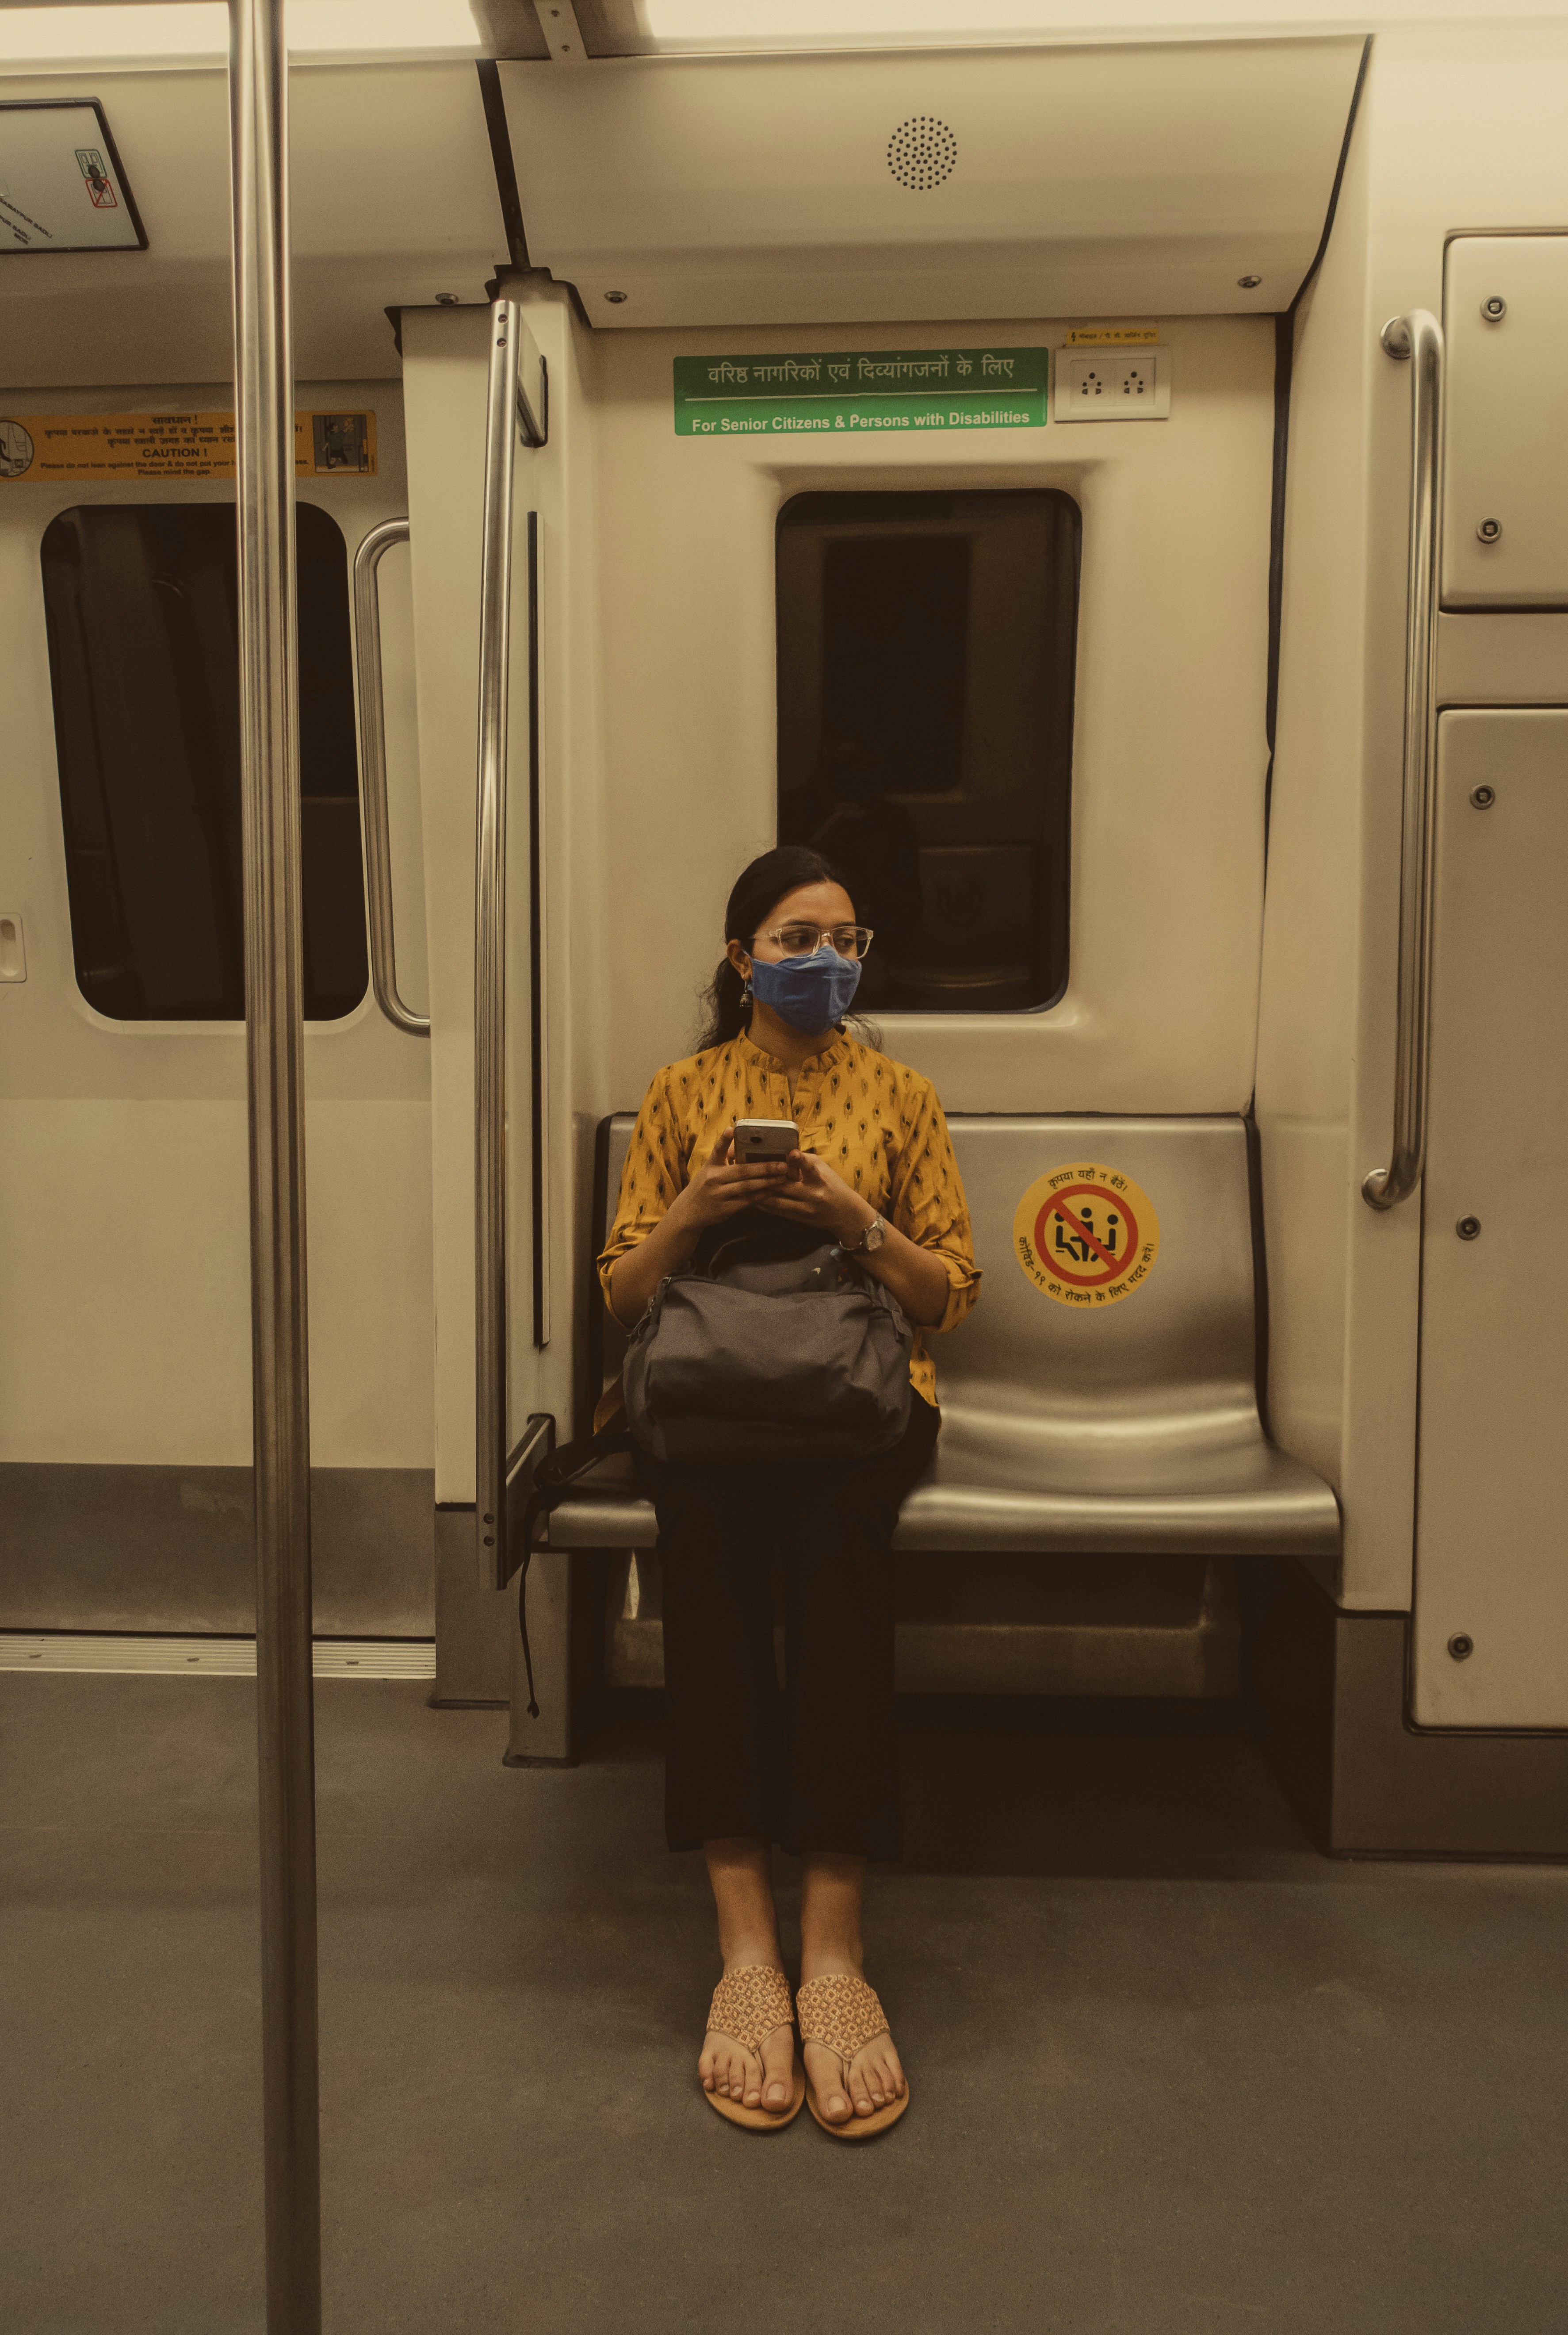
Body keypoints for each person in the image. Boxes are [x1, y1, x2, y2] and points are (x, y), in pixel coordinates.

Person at [598, 844, 980, 2136]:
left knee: (838, 1573)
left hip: (856, 1398)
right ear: (741, 957)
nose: (824, 960)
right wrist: (698, 1205)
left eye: (844, 938)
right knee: (702, 1567)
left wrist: (851, 1221)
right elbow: (620, 1293)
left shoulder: (902, 1097)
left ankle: (832, 1950)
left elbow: (948, 1300)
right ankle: (744, 1950)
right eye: (796, 937)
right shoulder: (680, 1093)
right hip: (704, 1399)